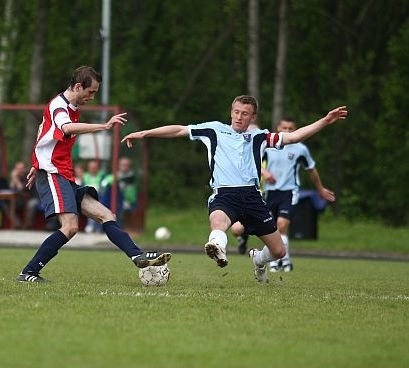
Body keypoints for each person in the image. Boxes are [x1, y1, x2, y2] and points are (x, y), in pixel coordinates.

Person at [122, 95, 347, 283]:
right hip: (224, 194)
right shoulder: (214, 130)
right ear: (231, 112)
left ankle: (258, 260)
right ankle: (218, 247)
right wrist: (144, 133)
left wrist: (325, 120)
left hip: (252, 197)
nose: (239, 117)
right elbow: (179, 130)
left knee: (279, 252)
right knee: (218, 222)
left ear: (253, 117)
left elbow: (295, 136)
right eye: (236, 112)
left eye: (245, 113)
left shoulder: (259, 137)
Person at [16, 66, 171, 282]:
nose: (92, 97)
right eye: (91, 92)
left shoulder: (71, 107)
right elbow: (66, 128)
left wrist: (35, 161)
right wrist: (103, 126)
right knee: (70, 227)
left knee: (107, 215)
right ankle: (29, 272)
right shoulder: (60, 107)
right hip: (52, 174)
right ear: (78, 86)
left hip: (64, 175)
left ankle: (138, 256)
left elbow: (45, 132)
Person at [231, 116, 336, 272]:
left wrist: (320, 189)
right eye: (283, 128)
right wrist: (264, 172)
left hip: (289, 192)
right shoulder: (268, 146)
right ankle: (282, 261)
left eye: (290, 128)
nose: (287, 131)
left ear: (294, 130)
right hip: (269, 193)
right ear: (277, 129)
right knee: (267, 229)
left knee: (281, 225)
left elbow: (311, 170)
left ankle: (279, 263)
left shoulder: (300, 149)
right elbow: (251, 163)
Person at [99, 156, 139, 225]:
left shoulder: (131, 177)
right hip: (112, 201)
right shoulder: (112, 176)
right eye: (123, 165)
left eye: (127, 165)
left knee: (121, 208)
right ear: (118, 166)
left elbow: (132, 192)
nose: (125, 167)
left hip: (127, 201)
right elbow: (103, 185)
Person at [8, 160, 40, 229]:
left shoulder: (29, 175)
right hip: (21, 199)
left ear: (24, 169)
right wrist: (13, 180)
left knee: (31, 204)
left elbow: (21, 188)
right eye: (18, 169)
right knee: (7, 204)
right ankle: (17, 224)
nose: (20, 170)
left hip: (32, 198)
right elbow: (11, 189)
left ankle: (28, 226)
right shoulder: (17, 177)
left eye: (22, 168)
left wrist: (15, 178)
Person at [82, 159, 106, 233]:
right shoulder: (85, 176)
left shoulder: (101, 176)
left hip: (99, 198)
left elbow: (103, 188)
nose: (92, 169)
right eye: (91, 167)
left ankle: (94, 227)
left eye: (94, 167)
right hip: (86, 198)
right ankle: (91, 226)